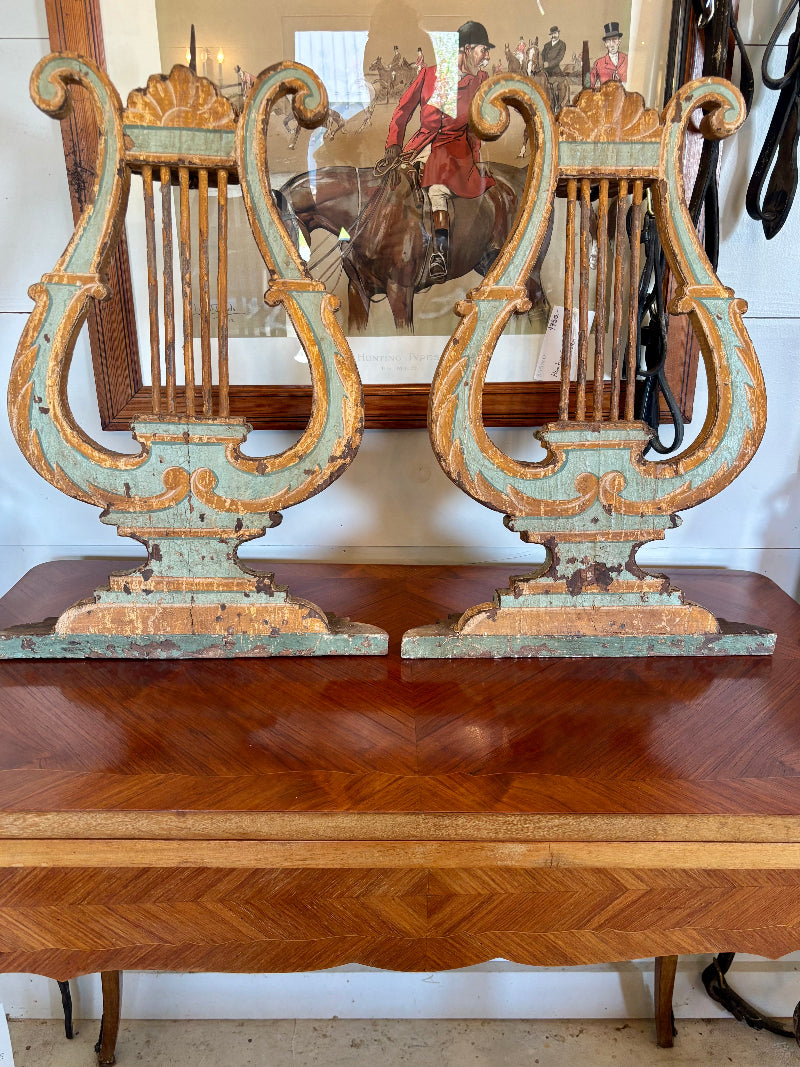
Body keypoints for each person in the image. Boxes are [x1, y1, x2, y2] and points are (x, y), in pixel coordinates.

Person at [376, 20, 496, 280]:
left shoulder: (482, 81)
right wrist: (394, 144)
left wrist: (475, 157)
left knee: (437, 189)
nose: (486, 57)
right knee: (394, 183)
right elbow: (403, 110)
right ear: (465, 50)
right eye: (482, 50)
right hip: (421, 144)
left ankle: (440, 253)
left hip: (454, 150)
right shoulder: (430, 74)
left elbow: (480, 125)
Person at [590, 22, 628, 86]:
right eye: (608, 41)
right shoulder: (599, 63)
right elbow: (590, 86)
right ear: (605, 44)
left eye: (614, 40)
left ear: (619, 41)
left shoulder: (627, 60)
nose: (611, 44)